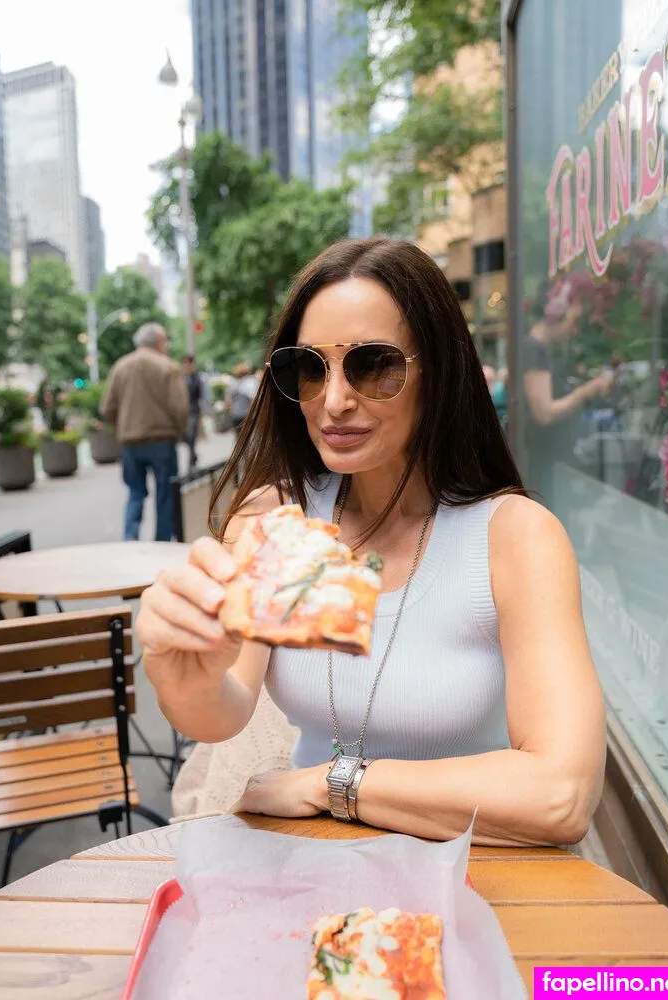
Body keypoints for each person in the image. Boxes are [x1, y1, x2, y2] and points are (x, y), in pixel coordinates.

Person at [137, 237, 605, 847]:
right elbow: (223, 712)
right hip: (310, 865)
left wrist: (333, 783)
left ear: (437, 372)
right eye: (309, 368)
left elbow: (561, 794)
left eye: (374, 365)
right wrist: (184, 674)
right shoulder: (276, 522)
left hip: (479, 871)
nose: (334, 401)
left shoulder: (514, 537)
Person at [523, 279, 613, 499]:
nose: (574, 330)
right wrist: (586, 391)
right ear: (555, 317)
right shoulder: (534, 351)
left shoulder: (538, 350)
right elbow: (544, 412)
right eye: (573, 322)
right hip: (544, 463)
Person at [100, 322, 189, 542]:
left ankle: (130, 538)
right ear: (159, 341)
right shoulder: (167, 366)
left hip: (130, 443)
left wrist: (123, 426)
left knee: (135, 493)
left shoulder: (121, 366)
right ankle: (162, 543)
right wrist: (182, 431)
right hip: (162, 440)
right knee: (165, 495)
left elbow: (107, 408)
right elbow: (180, 408)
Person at [182, 355, 207, 470]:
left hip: (193, 411)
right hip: (183, 411)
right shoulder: (181, 377)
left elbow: (201, 395)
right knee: (185, 437)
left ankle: (191, 461)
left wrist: (202, 415)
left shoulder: (196, 378)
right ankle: (193, 455)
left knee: (191, 435)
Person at [226, 362, 258, 433]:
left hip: (235, 414)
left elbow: (228, 401)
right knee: (247, 435)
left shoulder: (233, 383)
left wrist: (231, 410)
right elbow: (253, 399)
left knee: (238, 434)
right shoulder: (250, 382)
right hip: (247, 414)